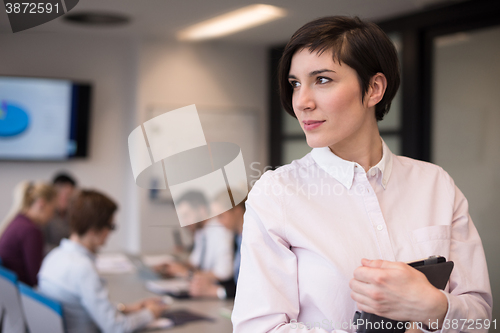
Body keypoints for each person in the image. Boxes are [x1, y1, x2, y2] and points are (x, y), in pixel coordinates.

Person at [232, 16, 492, 333]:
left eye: (322, 80)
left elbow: (480, 316)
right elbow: (258, 328)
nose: (301, 102)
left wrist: (433, 307)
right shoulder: (276, 193)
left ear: (373, 88)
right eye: (295, 84)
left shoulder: (436, 184)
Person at [38, 190, 168, 333]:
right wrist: (150, 314)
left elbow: (85, 306)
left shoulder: (53, 257)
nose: (110, 233)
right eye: (111, 226)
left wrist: (127, 309)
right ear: (94, 229)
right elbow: (116, 328)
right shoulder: (83, 269)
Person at [155, 191, 234, 282]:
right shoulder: (200, 231)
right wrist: (172, 267)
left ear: (201, 210)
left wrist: (186, 273)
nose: (184, 223)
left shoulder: (221, 230)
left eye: (186, 216)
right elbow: (195, 263)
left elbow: (223, 274)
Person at [189, 191, 245, 299]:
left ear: (237, 210)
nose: (219, 222)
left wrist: (217, 291)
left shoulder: (255, 239)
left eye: (221, 216)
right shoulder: (235, 238)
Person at [0, 182, 57, 286]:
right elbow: (36, 278)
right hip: (23, 292)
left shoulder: (17, 221)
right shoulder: (31, 231)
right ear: (42, 204)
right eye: (53, 209)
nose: (52, 216)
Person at [43, 172, 78, 254]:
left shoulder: (73, 214)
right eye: (61, 193)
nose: (65, 198)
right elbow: (41, 246)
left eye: (69, 194)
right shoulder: (45, 216)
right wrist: (65, 250)